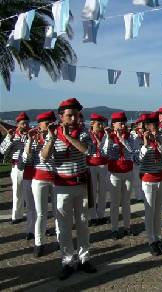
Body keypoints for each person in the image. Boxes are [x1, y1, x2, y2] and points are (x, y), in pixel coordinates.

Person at [40, 98, 97, 280]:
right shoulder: (52, 134)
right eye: (69, 115)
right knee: (63, 227)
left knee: (82, 224)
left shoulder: (82, 132)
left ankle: (84, 258)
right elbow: (44, 157)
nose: (73, 118)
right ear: (60, 116)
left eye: (76, 115)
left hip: (80, 184)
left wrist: (70, 137)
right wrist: (52, 137)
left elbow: (87, 150)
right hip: (62, 186)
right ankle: (67, 261)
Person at [24, 111, 57, 257]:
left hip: (56, 178)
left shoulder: (57, 136)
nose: (49, 124)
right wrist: (30, 141)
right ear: (39, 124)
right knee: (41, 213)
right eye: (46, 122)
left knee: (59, 211)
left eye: (51, 121)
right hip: (39, 179)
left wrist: (52, 136)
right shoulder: (33, 138)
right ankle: (39, 243)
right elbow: (26, 159)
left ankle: (61, 239)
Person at [138, 112, 162, 256]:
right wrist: (145, 144)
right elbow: (137, 159)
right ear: (145, 126)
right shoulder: (137, 138)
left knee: (158, 211)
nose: (154, 127)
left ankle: (158, 238)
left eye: (155, 124)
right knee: (149, 211)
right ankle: (151, 240)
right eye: (150, 125)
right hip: (148, 178)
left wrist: (158, 143)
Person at [102, 112, 137, 239]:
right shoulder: (109, 137)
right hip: (114, 174)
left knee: (126, 202)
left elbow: (132, 151)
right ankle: (114, 228)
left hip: (128, 172)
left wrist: (122, 139)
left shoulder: (130, 137)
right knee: (115, 202)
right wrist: (108, 138)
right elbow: (105, 153)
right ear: (113, 124)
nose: (123, 125)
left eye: (124, 123)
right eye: (120, 123)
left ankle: (127, 227)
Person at [0, 112, 29, 224]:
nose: (25, 125)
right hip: (17, 166)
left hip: (30, 166)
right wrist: (9, 139)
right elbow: (2, 151)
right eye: (23, 123)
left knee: (31, 193)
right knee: (17, 192)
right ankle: (17, 216)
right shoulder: (12, 135)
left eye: (26, 123)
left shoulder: (31, 134)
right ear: (18, 124)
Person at [87, 113, 109, 226]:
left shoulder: (105, 135)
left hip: (103, 164)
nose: (101, 126)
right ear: (92, 124)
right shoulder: (87, 134)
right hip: (91, 165)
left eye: (102, 124)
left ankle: (101, 215)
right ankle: (93, 216)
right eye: (99, 124)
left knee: (103, 191)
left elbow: (106, 150)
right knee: (92, 192)